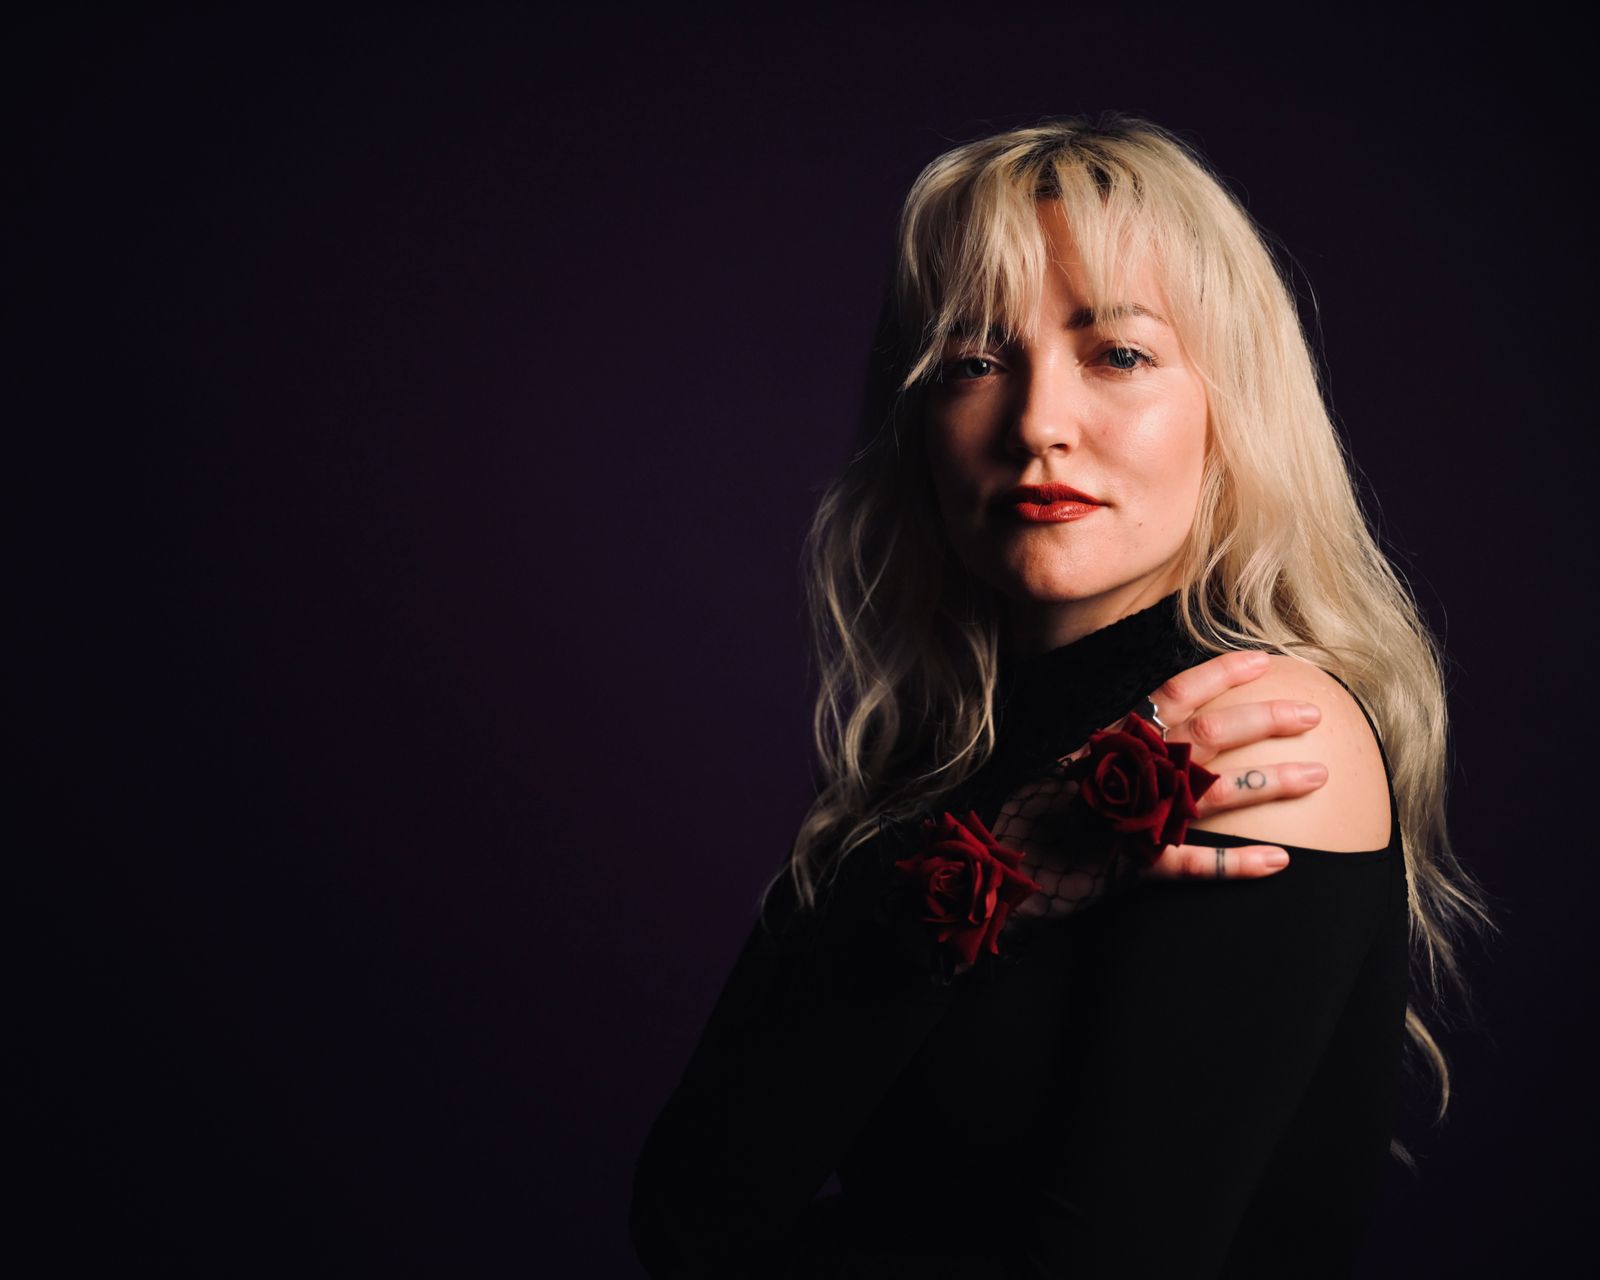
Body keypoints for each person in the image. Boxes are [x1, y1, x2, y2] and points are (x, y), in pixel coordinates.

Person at [629, 115, 1494, 1278]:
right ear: (919, 421)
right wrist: (972, 885)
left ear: (1229, 405)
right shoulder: (937, 759)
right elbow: (688, 1217)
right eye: (972, 361)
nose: (1036, 423)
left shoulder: (1251, 728)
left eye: (1118, 354)